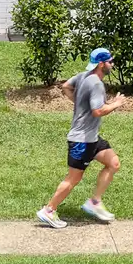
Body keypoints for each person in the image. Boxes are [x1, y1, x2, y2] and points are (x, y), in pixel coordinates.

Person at [37, 47, 125, 228]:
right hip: (81, 141)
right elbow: (98, 111)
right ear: (101, 64)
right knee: (73, 178)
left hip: (92, 138)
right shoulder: (96, 84)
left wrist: (80, 103)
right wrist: (116, 104)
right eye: (110, 61)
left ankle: (94, 202)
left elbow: (66, 86)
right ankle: (49, 210)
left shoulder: (83, 76)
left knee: (113, 163)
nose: (112, 64)